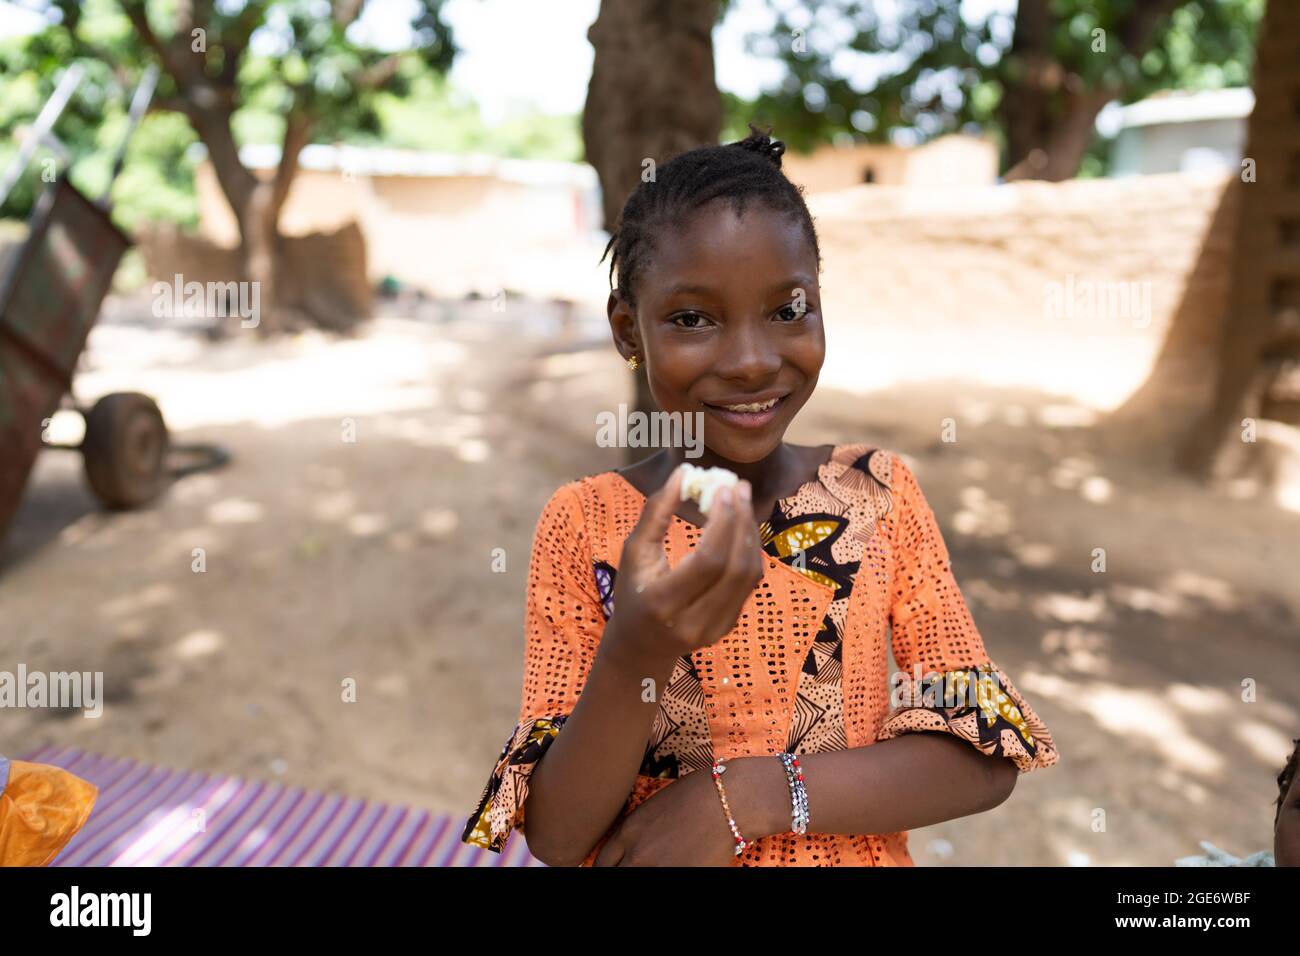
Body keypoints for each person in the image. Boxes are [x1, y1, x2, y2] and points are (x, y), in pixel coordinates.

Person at [461, 127, 1059, 866]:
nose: (751, 361)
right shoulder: (586, 525)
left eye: (787, 311)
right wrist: (637, 652)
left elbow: (985, 755)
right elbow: (556, 833)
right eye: (692, 319)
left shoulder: (878, 495)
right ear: (628, 331)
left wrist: (753, 796)